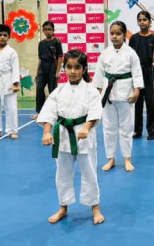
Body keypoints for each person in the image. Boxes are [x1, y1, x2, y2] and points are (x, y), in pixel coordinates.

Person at [39, 50, 105, 225]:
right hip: (62, 137)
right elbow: (49, 112)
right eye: (69, 67)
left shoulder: (91, 91)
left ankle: (95, 207)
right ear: (64, 69)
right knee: (62, 175)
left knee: (89, 173)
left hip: (84, 137)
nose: (73, 71)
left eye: (77, 67)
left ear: (84, 69)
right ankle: (63, 207)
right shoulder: (59, 91)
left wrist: (87, 127)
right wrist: (47, 131)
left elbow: (95, 112)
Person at [92, 21, 144, 172]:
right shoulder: (105, 53)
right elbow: (99, 74)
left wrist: (137, 91)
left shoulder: (131, 53)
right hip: (108, 93)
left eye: (118, 34)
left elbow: (137, 73)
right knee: (109, 128)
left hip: (126, 93)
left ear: (124, 35)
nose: (114, 36)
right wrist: (97, 94)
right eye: (112, 33)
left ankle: (127, 159)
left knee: (126, 128)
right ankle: (111, 158)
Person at [128, 11, 154, 140]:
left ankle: (151, 131)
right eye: (140, 20)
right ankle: (137, 131)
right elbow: (130, 55)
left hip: (149, 74)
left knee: (150, 102)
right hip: (136, 74)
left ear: (149, 22)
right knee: (137, 103)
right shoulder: (133, 39)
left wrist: (149, 63)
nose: (142, 22)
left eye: (144, 20)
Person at [35, 21, 63, 119]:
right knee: (39, 89)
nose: (48, 31)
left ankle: (54, 112)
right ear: (43, 31)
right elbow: (40, 59)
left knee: (53, 91)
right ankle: (40, 112)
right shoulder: (41, 43)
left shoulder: (57, 42)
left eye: (50, 29)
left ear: (53, 30)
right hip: (42, 68)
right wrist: (37, 73)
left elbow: (60, 57)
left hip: (52, 67)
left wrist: (58, 71)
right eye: (45, 29)